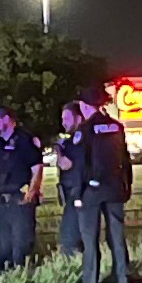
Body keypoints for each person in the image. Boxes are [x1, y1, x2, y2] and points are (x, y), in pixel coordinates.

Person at [80, 92, 137, 283]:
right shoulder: (116, 126)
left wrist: (77, 193)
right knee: (117, 236)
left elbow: (82, 164)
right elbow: (125, 159)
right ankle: (122, 278)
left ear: (84, 105)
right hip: (114, 189)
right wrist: (127, 185)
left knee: (90, 237)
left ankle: (90, 282)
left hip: (92, 191)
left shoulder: (85, 130)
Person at [0, 102, 43, 269]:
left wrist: (31, 192)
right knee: (3, 246)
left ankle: (22, 277)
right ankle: (5, 279)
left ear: (6, 119)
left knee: (21, 244)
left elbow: (37, 168)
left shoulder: (25, 140)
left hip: (20, 200)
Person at [51, 99, 96, 267]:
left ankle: (74, 272)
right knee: (80, 237)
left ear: (78, 118)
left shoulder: (79, 139)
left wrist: (59, 152)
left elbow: (67, 164)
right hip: (80, 193)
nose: (63, 122)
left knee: (69, 239)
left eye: (66, 118)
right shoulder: (82, 138)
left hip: (78, 194)